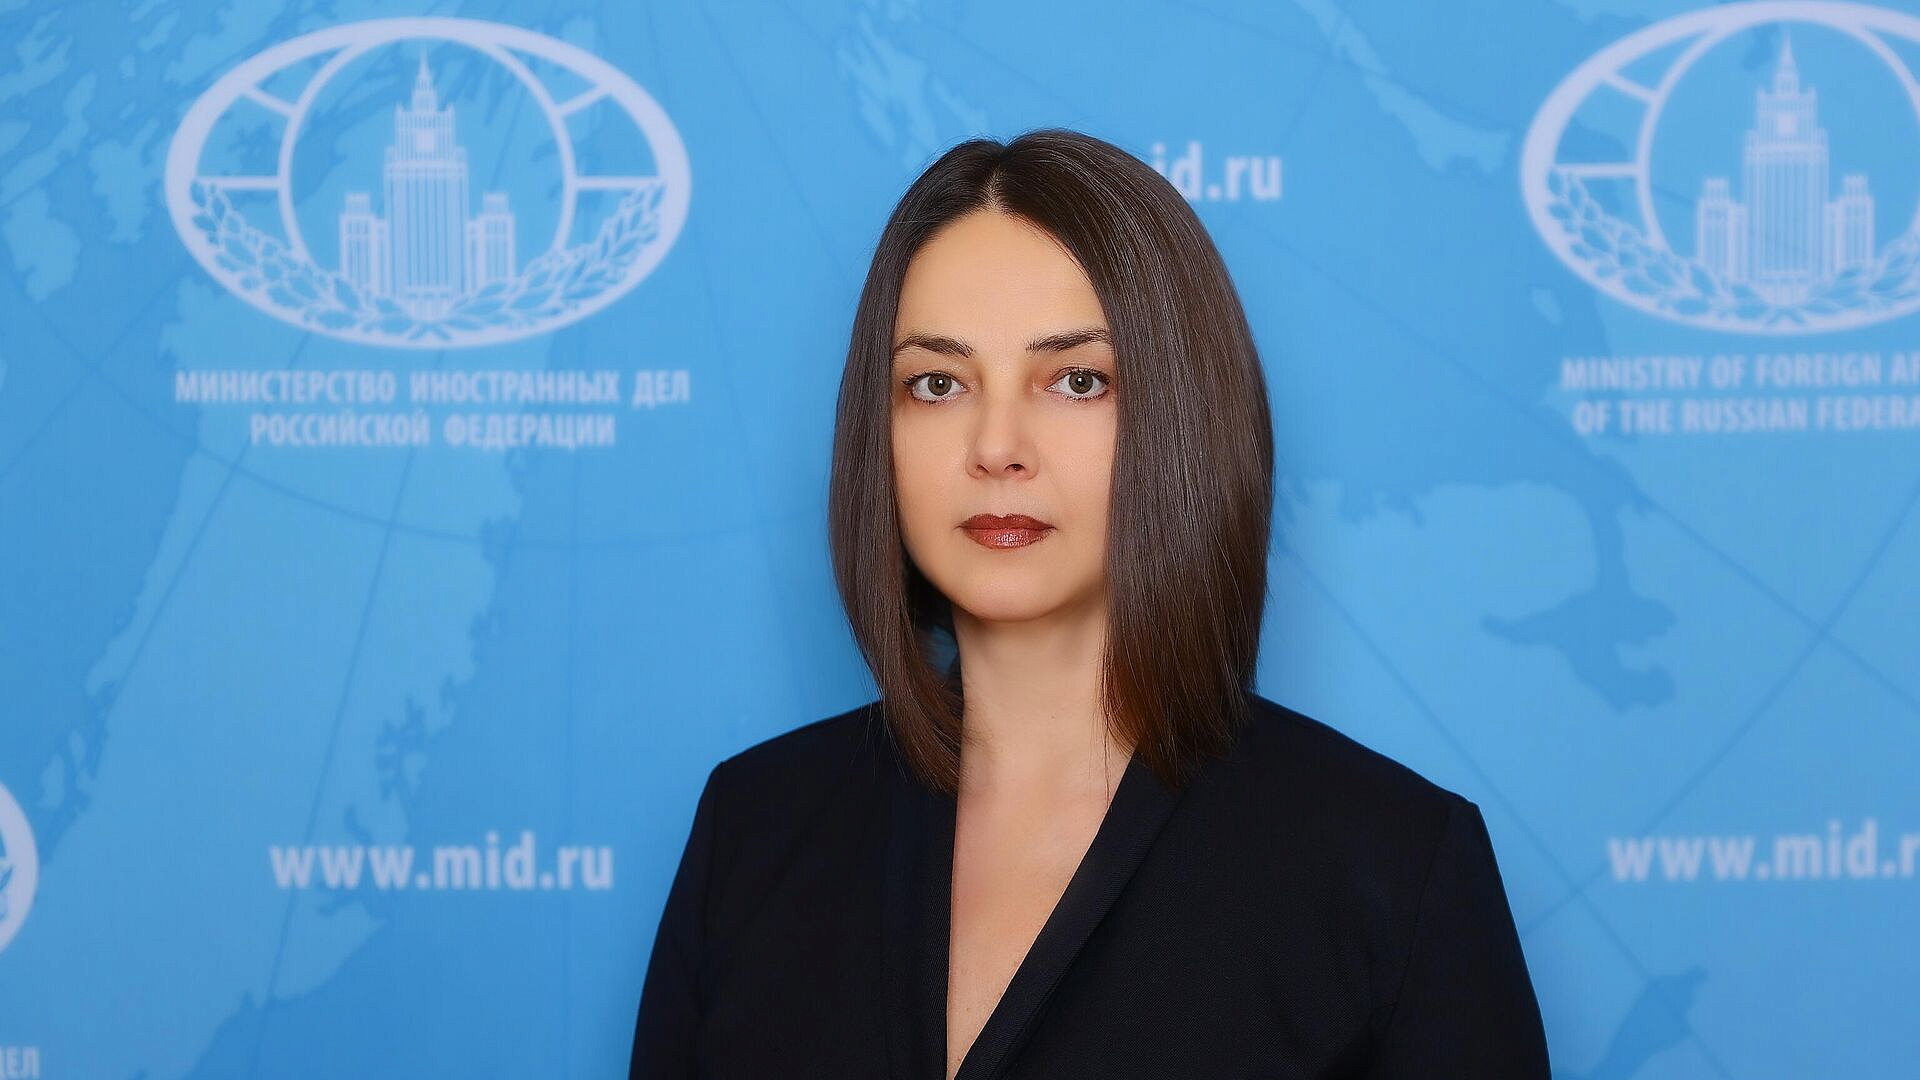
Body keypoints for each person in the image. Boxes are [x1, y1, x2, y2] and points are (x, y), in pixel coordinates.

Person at [629, 128, 1551, 1079]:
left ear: (1181, 416)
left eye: (1077, 380)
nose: (997, 447)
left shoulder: (1392, 863)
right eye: (937, 384)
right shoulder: (753, 829)